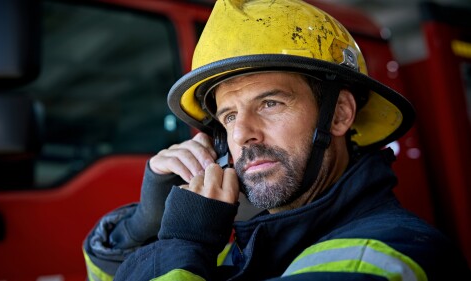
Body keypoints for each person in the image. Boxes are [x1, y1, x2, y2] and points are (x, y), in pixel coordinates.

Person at [83, 0, 471, 280]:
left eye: (269, 103)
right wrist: (141, 229)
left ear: (339, 115)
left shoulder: (375, 257)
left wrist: (177, 245)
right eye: (229, 116)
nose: (241, 135)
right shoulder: (241, 244)